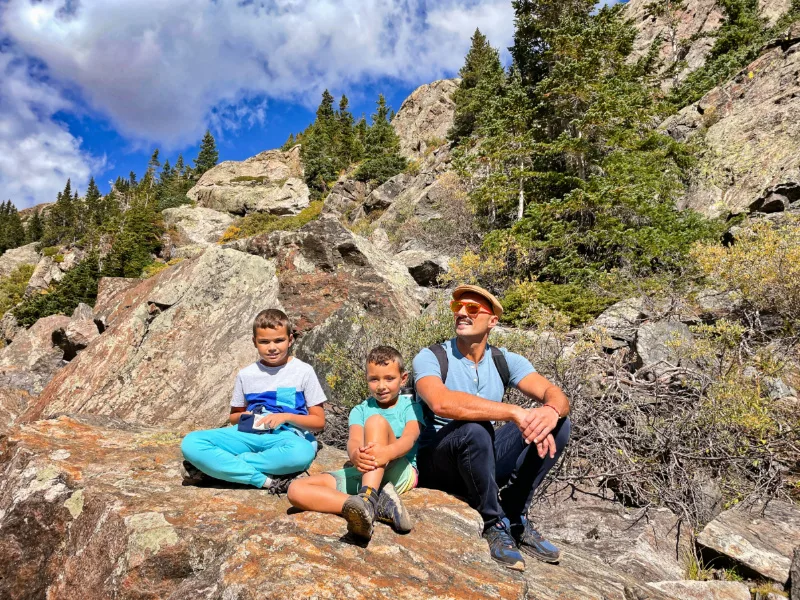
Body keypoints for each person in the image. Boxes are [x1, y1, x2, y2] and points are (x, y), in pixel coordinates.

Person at [412, 284, 571, 572]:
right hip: (439, 462)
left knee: (559, 424)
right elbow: (440, 402)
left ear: (492, 321)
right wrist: (513, 412)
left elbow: (556, 395)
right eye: (457, 307)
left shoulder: (504, 361)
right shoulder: (433, 357)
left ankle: (514, 513)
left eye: (472, 309)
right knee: (475, 427)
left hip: (480, 456)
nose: (462, 313)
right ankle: (492, 521)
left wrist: (548, 412)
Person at [181, 308, 326, 494]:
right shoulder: (246, 374)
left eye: (279, 340)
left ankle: (222, 468)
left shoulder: (303, 371)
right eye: (264, 342)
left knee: (301, 453)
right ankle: (265, 481)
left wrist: (286, 417)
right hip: (249, 431)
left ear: (290, 339)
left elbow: (318, 422)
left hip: (286, 435)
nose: (272, 347)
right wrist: (244, 416)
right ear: (254, 342)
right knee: (191, 443)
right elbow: (234, 417)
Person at [288, 345, 424, 542]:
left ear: (403, 379)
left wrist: (387, 453)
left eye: (389, 378)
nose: (381, 386)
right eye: (374, 379)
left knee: (376, 422)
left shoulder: (410, 406)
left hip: (399, 468)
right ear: (366, 379)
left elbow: (409, 439)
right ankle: (364, 506)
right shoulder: (359, 410)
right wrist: (354, 456)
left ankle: (368, 497)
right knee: (295, 490)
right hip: (364, 470)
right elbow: (353, 441)